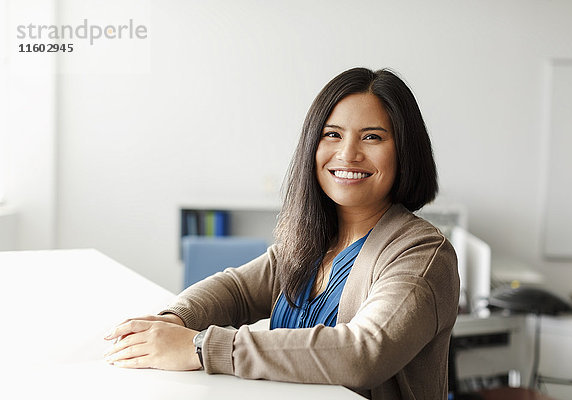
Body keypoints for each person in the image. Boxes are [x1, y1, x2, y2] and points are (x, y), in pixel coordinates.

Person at [104, 67, 460, 400]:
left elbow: (362, 354)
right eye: (332, 135)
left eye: (372, 137)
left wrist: (200, 346)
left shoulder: (423, 253)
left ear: (405, 151)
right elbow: (238, 290)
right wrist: (173, 321)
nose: (348, 153)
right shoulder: (313, 239)